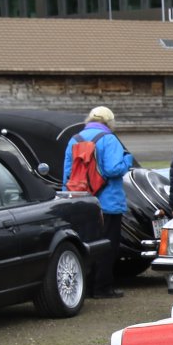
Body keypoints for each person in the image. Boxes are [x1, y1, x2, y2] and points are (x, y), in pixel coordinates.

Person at [61, 106, 132, 298]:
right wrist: (128, 160)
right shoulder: (109, 139)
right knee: (108, 245)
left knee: (86, 244)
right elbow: (113, 169)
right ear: (109, 122)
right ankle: (102, 287)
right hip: (108, 202)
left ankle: (86, 286)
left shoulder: (74, 139)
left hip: (82, 201)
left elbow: (67, 173)